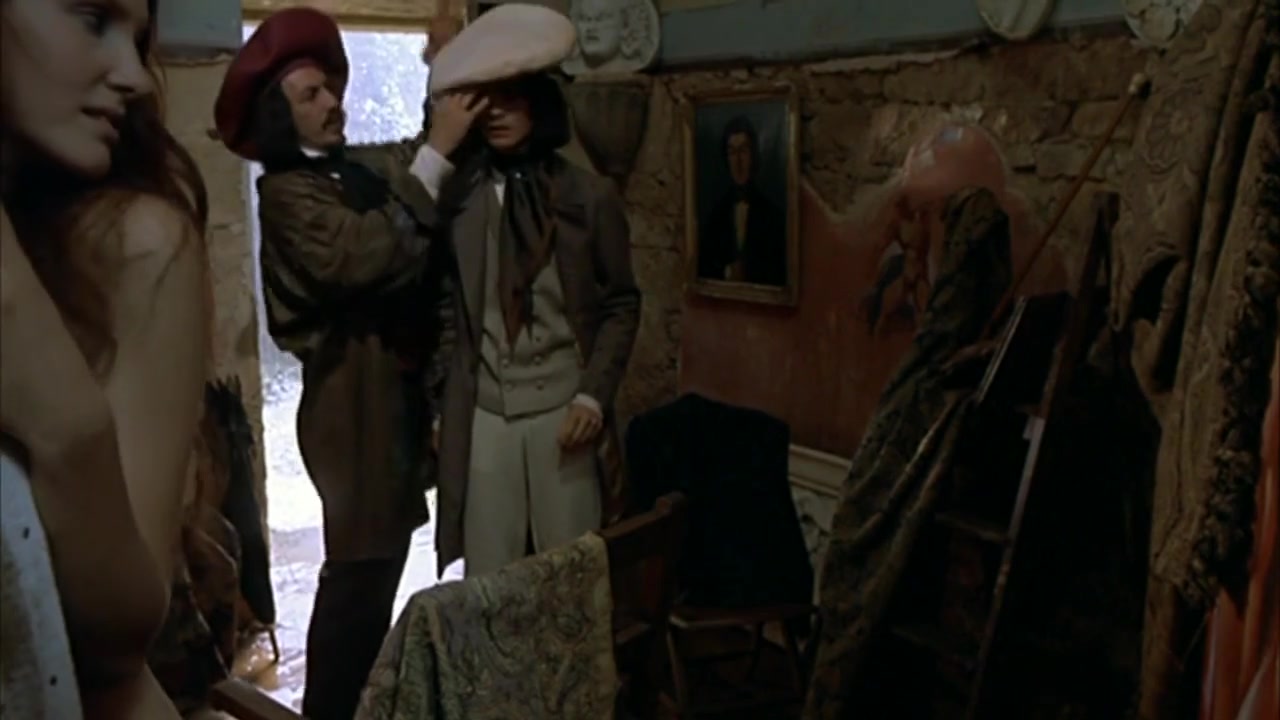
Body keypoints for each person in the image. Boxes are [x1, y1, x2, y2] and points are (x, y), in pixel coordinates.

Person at [212, 8, 455, 719]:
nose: (333, 102)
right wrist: (437, 154)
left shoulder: (350, 169)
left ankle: (357, 705)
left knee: (378, 569)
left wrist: (442, 78)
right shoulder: (288, 193)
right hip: (351, 413)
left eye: (330, 88)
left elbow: (416, 160)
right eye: (310, 95)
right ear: (280, 116)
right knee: (356, 581)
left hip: (388, 404)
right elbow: (361, 255)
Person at [1, 0, 211, 717]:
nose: (137, 76)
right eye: (92, 19)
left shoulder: (134, 243)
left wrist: (65, 420)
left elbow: (123, 631)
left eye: (140, 38)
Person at [416, 2, 641, 578]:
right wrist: (442, 407)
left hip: (562, 414)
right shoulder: (461, 199)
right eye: (485, 98)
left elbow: (621, 303)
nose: (496, 112)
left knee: (570, 579)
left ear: (540, 101)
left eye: (511, 96)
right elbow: (443, 311)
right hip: (486, 415)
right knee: (489, 584)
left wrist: (593, 396)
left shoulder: (588, 197)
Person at [697, 115, 787, 286]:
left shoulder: (773, 215)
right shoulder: (716, 215)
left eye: (743, 151)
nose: (737, 161)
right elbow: (703, 268)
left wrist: (749, 272)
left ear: (753, 155)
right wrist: (727, 272)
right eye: (732, 152)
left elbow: (780, 272)